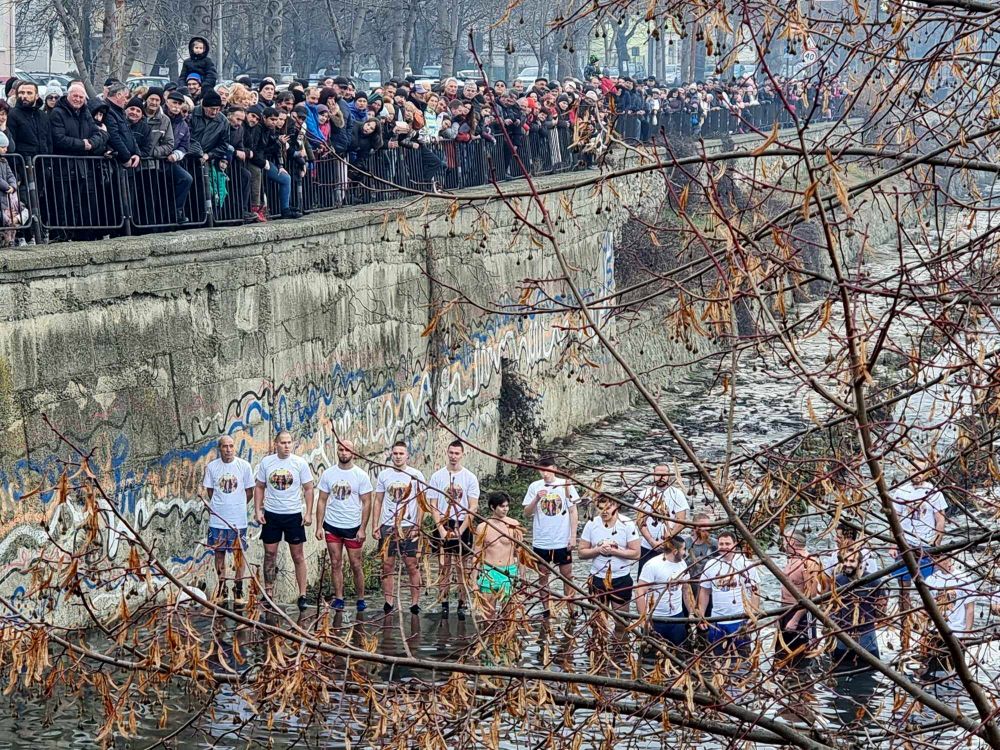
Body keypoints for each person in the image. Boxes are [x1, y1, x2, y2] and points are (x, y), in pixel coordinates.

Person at [253, 430, 315, 611]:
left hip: (293, 515)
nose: (287, 446)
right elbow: (259, 487)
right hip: (272, 514)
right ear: (276, 444)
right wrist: (258, 510)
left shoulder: (299, 463)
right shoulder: (267, 462)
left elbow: (309, 488)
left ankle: (302, 594)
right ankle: (269, 593)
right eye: (283, 443)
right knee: (270, 554)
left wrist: (308, 513)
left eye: (289, 442)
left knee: (297, 556)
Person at [315, 438, 373, 612]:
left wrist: (363, 528)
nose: (344, 453)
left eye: (347, 450)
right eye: (341, 449)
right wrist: (319, 526)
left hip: (353, 527)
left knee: (356, 564)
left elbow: (367, 503)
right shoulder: (328, 474)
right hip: (332, 525)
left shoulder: (361, 475)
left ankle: (360, 598)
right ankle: (339, 598)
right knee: (335, 563)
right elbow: (322, 500)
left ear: (353, 452)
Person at [372, 440, 426, 614]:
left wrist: (418, 524)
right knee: (387, 565)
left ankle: (415, 603)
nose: (398, 456)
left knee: (412, 565)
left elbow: (421, 502)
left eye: (401, 453)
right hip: (388, 526)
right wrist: (376, 525)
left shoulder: (415, 475)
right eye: (395, 453)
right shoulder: (384, 475)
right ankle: (388, 602)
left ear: (407, 455)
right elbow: (378, 500)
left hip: (409, 526)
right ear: (391, 455)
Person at [428, 440, 480, 617]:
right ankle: (443, 601)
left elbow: (473, 506)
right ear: (447, 452)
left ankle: (461, 602)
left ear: (462, 454)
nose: (453, 456)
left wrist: (462, 529)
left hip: (461, 522)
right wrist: (440, 529)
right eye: (451, 452)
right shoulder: (437, 476)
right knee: (444, 565)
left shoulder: (470, 478)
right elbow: (433, 505)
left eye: (457, 453)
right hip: (443, 521)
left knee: (461, 565)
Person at [523, 456, 580, 618]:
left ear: (554, 469)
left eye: (548, 470)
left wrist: (573, 536)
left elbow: (573, 510)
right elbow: (526, 513)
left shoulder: (565, 485)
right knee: (543, 576)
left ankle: (571, 609)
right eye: (542, 470)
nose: (545, 474)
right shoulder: (535, 486)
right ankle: (547, 610)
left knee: (567, 576)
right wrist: (536, 498)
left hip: (562, 539)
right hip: (541, 540)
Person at [201, 435, 254, 602]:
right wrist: (220, 506)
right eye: (225, 446)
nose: (228, 449)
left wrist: (237, 505)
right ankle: (221, 588)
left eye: (231, 446)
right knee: (219, 553)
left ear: (235, 447)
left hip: (238, 520)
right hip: (217, 519)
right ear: (220, 448)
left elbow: (249, 492)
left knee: (239, 553)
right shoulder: (212, 467)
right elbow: (210, 491)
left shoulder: (244, 466)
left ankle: (238, 589)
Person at [697, 531, 760, 655]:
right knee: (717, 657)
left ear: (735, 545)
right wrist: (701, 615)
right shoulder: (711, 564)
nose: (724, 547)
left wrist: (753, 614)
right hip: (717, 620)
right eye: (721, 544)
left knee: (743, 657)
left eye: (727, 543)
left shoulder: (745, 564)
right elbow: (704, 592)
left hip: (739, 619)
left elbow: (755, 591)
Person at [579, 495, 641, 617]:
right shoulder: (591, 524)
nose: (604, 512)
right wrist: (598, 550)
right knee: (597, 622)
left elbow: (636, 554)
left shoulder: (627, 524)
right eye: (600, 508)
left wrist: (614, 552)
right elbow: (581, 552)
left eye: (607, 508)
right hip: (597, 578)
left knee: (621, 621)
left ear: (616, 506)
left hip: (620, 578)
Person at [829, 550, 886, 671]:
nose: (847, 564)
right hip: (843, 636)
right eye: (845, 560)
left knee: (869, 673)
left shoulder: (874, 581)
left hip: (867, 638)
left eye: (852, 561)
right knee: (839, 672)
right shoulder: (838, 581)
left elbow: (881, 613)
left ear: (860, 563)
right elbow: (832, 608)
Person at [636, 536, 695, 648]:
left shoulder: (682, 564)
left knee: (678, 652)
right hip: (655, 617)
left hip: (677, 616)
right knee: (652, 655)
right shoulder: (652, 565)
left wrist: (691, 612)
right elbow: (640, 592)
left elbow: (686, 589)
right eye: (683, 549)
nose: (685, 553)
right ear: (675, 551)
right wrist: (644, 619)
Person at [923, 555, 979, 675]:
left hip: (956, 631)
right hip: (935, 632)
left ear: (950, 559)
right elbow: (926, 608)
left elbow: (970, 607)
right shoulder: (931, 580)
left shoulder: (963, 578)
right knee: (932, 670)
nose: (941, 563)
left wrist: (967, 632)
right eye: (937, 560)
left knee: (954, 671)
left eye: (943, 559)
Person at [775, 529, 822, 666]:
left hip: (800, 614)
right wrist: (779, 616)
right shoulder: (791, 560)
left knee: (802, 656)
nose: (783, 543)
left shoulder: (810, 562)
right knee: (782, 654)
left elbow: (811, 595)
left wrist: (795, 619)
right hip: (785, 611)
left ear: (792, 542)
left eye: (785, 540)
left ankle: (804, 682)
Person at [635, 464, 689, 575]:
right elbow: (640, 521)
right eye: (658, 474)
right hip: (647, 546)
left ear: (669, 476)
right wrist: (652, 542)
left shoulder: (677, 494)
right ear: (653, 475)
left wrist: (666, 540)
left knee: (670, 577)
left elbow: (681, 521)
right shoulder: (645, 494)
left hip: (670, 546)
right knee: (645, 577)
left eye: (664, 474)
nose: (661, 477)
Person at [474, 491, 523, 604]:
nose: (505, 509)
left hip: (508, 571)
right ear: (492, 507)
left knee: (509, 613)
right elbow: (476, 555)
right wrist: (473, 582)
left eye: (507, 506)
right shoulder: (483, 527)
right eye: (502, 506)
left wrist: (522, 576)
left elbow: (520, 553)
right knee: (488, 612)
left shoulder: (514, 525)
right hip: (489, 571)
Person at [9, 82, 52, 161]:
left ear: (36, 96)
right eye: (22, 93)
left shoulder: (43, 116)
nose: (25, 96)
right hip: (23, 164)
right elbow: (11, 142)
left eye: (29, 93)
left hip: (43, 164)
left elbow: (49, 141)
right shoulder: (12, 115)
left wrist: (49, 163)